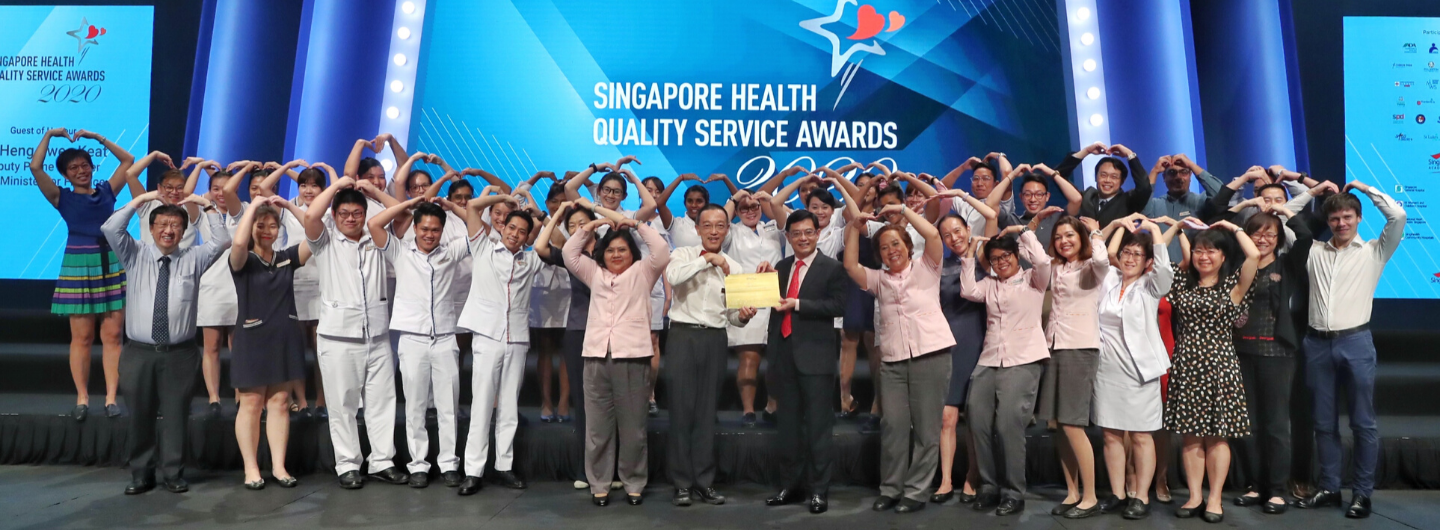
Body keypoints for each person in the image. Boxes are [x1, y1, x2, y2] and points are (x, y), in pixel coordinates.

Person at [100, 189, 227, 494]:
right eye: (163, 225)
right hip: (139, 353)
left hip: (180, 354)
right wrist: (138, 203)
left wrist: (206, 205)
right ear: (152, 228)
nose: (169, 230)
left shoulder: (194, 258)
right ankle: (141, 474)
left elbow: (222, 241)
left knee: (175, 415)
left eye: (176, 226)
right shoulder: (135, 253)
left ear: (184, 232)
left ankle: (173, 472)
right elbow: (109, 228)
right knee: (140, 415)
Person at [1294, 181, 1406, 519]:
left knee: (1362, 423)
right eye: (1334, 219)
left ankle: (1361, 494)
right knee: (1323, 424)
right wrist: (1311, 194)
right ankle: (1329, 488)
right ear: (1327, 222)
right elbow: (1285, 216)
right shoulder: (1313, 250)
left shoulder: (1375, 250)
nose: (1341, 223)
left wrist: (1364, 187)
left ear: (1358, 218)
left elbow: (1398, 214)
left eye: (1347, 217)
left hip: (1355, 342)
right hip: (1316, 343)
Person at [843, 202, 954, 514]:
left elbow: (932, 233)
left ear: (908, 247)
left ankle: (916, 492)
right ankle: (891, 488)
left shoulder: (927, 267)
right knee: (892, 425)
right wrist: (855, 227)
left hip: (930, 355)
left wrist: (904, 211)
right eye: (884, 246)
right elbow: (851, 265)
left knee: (927, 429)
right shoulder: (879, 280)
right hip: (892, 360)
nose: (891, 250)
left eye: (896, 243)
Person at [302, 175, 407, 489]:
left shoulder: (378, 237)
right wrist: (336, 187)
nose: (350, 219)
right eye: (344, 214)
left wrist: (373, 191)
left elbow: (403, 215)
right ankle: (348, 464)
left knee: (382, 402)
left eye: (357, 213)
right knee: (342, 404)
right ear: (334, 216)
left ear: (365, 214)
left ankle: (382, 461)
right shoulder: (324, 240)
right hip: (338, 337)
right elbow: (309, 215)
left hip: (377, 334)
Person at [563, 200, 670, 506]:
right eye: (611, 250)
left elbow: (661, 250)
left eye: (622, 249)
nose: (616, 254)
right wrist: (591, 226)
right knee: (597, 428)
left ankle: (634, 482)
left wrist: (634, 225)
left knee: (633, 428)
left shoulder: (643, 272)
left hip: (632, 358)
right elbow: (570, 254)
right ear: (603, 254)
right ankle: (599, 483)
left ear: (632, 253)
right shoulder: (593, 272)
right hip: (596, 357)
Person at [31, 128, 139, 421]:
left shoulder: (106, 190)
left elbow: (128, 159)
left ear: (92, 167)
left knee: (114, 335)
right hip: (78, 266)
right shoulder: (60, 197)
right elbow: (35, 167)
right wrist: (51, 135)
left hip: (111, 263)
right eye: (73, 168)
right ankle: (82, 398)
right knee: (82, 337)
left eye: (84, 165)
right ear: (65, 175)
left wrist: (98, 137)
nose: (81, 171)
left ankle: (111, 398)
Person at [1167, 220, 1261, 523]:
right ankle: (1194, 496)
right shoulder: (1182, 282)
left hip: (1220, 366)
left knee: (1218, 437)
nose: (1203, 256)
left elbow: (1254, 257)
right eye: (1198, 251)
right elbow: (1161, 256)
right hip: (1186, 364)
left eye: (1210, 251)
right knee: (1191, 437)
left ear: (1222, 256)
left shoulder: (1233, 286)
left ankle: (1215, 499)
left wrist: (1233, 229)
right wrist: (1178, 227)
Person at [663, 203, 757, 507]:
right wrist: (707, 261)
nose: (714, 231)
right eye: (708, 225)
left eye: (720, 226)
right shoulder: (682, 255)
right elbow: (674, 278)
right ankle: (681, 483)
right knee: (681, 410)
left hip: (715, 338)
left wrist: (744, 315)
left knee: (706, 412)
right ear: (697, 228)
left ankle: (704, 481)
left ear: (727, 230)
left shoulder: (736, 267)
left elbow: (732, 315)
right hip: (682, 336)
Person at [1225, 205, 1314, 514]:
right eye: (1256, 232)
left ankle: (1276, 489)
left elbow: (1305, 237)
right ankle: (1254, 484)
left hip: (1277, 354)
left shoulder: (1287, 264)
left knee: (1275, 424)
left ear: (1278, 239)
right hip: (1240, 353)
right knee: (1247, 424)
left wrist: (1284, 210)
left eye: (1269, 234)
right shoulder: (1238, 264)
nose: (1262, 239)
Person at [761, 209, 850, 515]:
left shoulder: (832, 268)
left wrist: (797, 304)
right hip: (783, 357)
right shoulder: (781, 267)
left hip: (816, 359)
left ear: (818, 233)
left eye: (808, 232)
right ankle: (789, 485)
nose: (802, 238)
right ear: (788, 237)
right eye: (796, 233)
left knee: (817, 428)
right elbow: (770, 305)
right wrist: (758, 286)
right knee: (787, 428)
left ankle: (818, 490)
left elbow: (838, 305)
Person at [959, 225, 1051, 516]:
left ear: (1016, 256)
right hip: (989, 360)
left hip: (1023, 360)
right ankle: (988, 486)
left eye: (1006, 257)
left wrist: (1023, 232)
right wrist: (968, 256)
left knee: (1008, 424)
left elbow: (1044, 261)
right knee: (977, 419)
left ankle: (1014, 492)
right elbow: (967, 290)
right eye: (996, 259)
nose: (1001, 262)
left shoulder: (1032, 280)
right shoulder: (989, 283)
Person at [456, 191, 543, 495]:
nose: (516, 235)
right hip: (487, 335)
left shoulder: (531, 261)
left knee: (509, 405)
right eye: (512, 229)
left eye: (523, 232)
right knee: (481, 404)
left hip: (517, 338)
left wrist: (536, 212)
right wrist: (505, 196)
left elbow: (552, 241)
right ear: (502, 227)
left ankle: (504, 466)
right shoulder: (483, 248)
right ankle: (473, 471)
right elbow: (470, 207)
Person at [1093, 215, 1178, 520]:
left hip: (1140, 372)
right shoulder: (1110, 279)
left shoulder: (1151, 286)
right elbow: (1101, 255)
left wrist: (1154, 230)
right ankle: (1117, 494)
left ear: (1147, 262)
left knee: (1142, 437)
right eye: (1127, 253)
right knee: (1111, 435)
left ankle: (1141, 495)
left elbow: (1166, 272)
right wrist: (1118, 225)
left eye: (1137, 255)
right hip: (1107, 370)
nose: (1129, 259)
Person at [228, 195, 310, 490]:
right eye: (260, 225)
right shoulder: (243, 260)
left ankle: (278, 466)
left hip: (283, 338)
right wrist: (253, 208)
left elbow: (316, 234)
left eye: (273, 225)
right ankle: (251, 468)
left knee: (279, 402)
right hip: (252, 340)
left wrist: (288, 207)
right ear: (251, 228)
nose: (266, 230)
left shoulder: (287, 257)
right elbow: (238, 244)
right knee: (250, 403)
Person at [1033, 215, 1111, 518]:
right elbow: (1033, 255)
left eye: (1070, 236)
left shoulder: (1091, 267)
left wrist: (1095, 232)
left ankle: (1090, 496)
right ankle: (1072, 491)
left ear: (1080, 238)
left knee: (1073, 424)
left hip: (1080, 347)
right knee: (1057, 424)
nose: (1064, 241)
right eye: (1059, 237)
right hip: (1054, 345)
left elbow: (1103, 261)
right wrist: (1033, 224)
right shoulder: (1056, 268)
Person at [536, 202, 598, 490]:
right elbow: (539, 247)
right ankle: (585, 469)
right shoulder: (570, 258)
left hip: (610, 333)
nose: (577, 229)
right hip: (577, 332)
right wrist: (557, 216)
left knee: (608, 404)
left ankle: (613, 467)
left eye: (583, 223)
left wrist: (594, 212)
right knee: (583, 404)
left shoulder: (612, 251)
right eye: (571, 226)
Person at [931, 214, 989, 506]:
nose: (954, 238)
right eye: (946, 235)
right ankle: (945, 480)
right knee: (947, 417)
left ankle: (972, 476)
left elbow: (991, 214)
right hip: (949, 344)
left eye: (958, 231)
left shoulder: (986, 259)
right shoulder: (938, 265)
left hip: (982, 343)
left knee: (976, 418)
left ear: (969, 229)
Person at [724, 189, 786, 427]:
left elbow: (784, 221)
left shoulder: (771, 228)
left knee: (777, 360)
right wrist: (733, 200)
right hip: (745, 299)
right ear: (737, 212)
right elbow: (722, 220)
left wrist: (769, 199)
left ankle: (772, 405)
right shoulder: (731, 231)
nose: (750, 212)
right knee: (749, 359)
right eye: (744, 208)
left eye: (754, 207)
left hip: (774, 299)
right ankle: (748, 410)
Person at [1142, 154, 1224, 261]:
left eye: (1184, 172)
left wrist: (1191, 165)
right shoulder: (1155, 205)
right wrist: (1154, 171)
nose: (1178, 177)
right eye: (1172, 173)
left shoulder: (1201, 201)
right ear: (1164, 177)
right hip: (1160, 271)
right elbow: (1142, 204)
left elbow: (1222, 194)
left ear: (1190, 175)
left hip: (1195, 271)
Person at [1054, 142, 1153, 226]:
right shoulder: (1085, 197)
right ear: (1096, 177)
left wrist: (1129, 154)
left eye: (1114, 177)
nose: (1107, 180)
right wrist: (1086, 151)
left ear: (1122, 181)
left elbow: (1144, 187)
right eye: (1103, 175)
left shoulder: (1129, 201)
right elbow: (1058, 176)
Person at [986, 163, 1081, 246]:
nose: (1033, 199)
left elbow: (1076, 199)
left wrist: (1052, 173)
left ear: (1047, 196)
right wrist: (1013, 175)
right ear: (1021, 197)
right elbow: (990, 203)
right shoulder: (1013, 222)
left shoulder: (1058, 219)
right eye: (1027, 194)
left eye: (1039, 194)